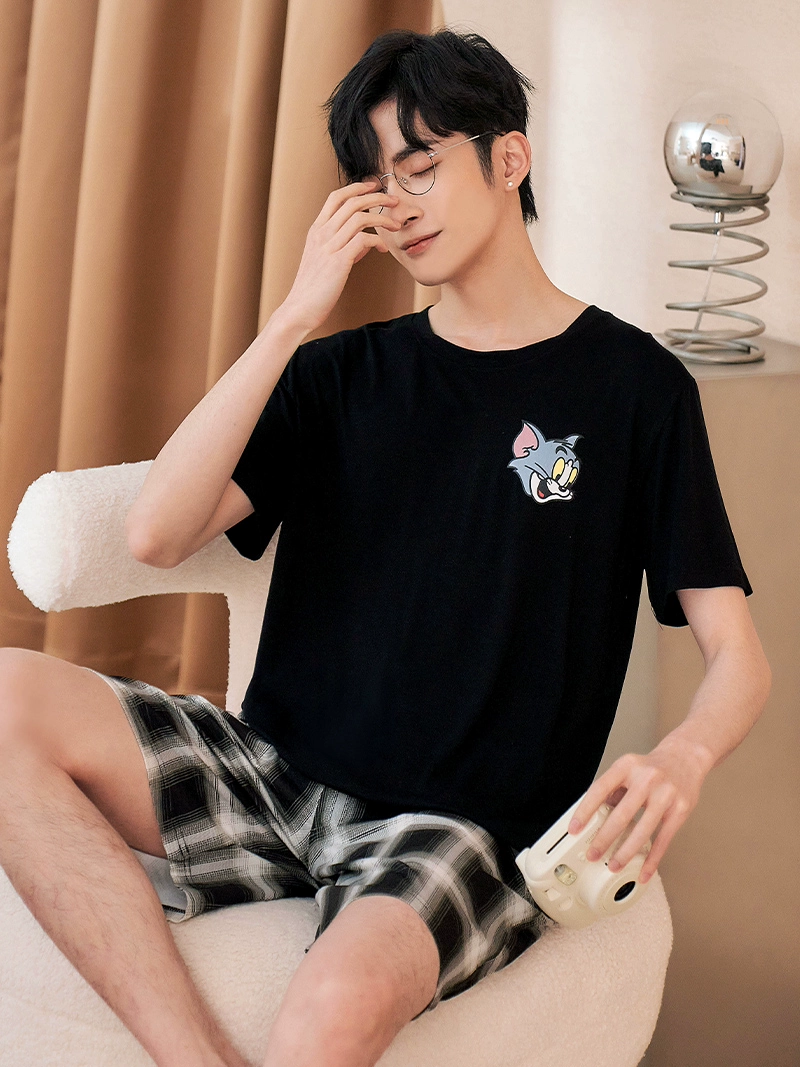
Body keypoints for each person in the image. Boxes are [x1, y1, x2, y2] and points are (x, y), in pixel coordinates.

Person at [0, 27, 770, 1067]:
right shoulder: (337, 374)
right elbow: (157, 531)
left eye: (421, 166)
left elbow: (737, 654)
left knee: (330, 1010)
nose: (397, 205)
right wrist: (290, 318)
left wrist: (681, 754)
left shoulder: (635, 389)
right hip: (274, 772)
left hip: (456, 823)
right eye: (374, 181)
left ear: (508, 157)